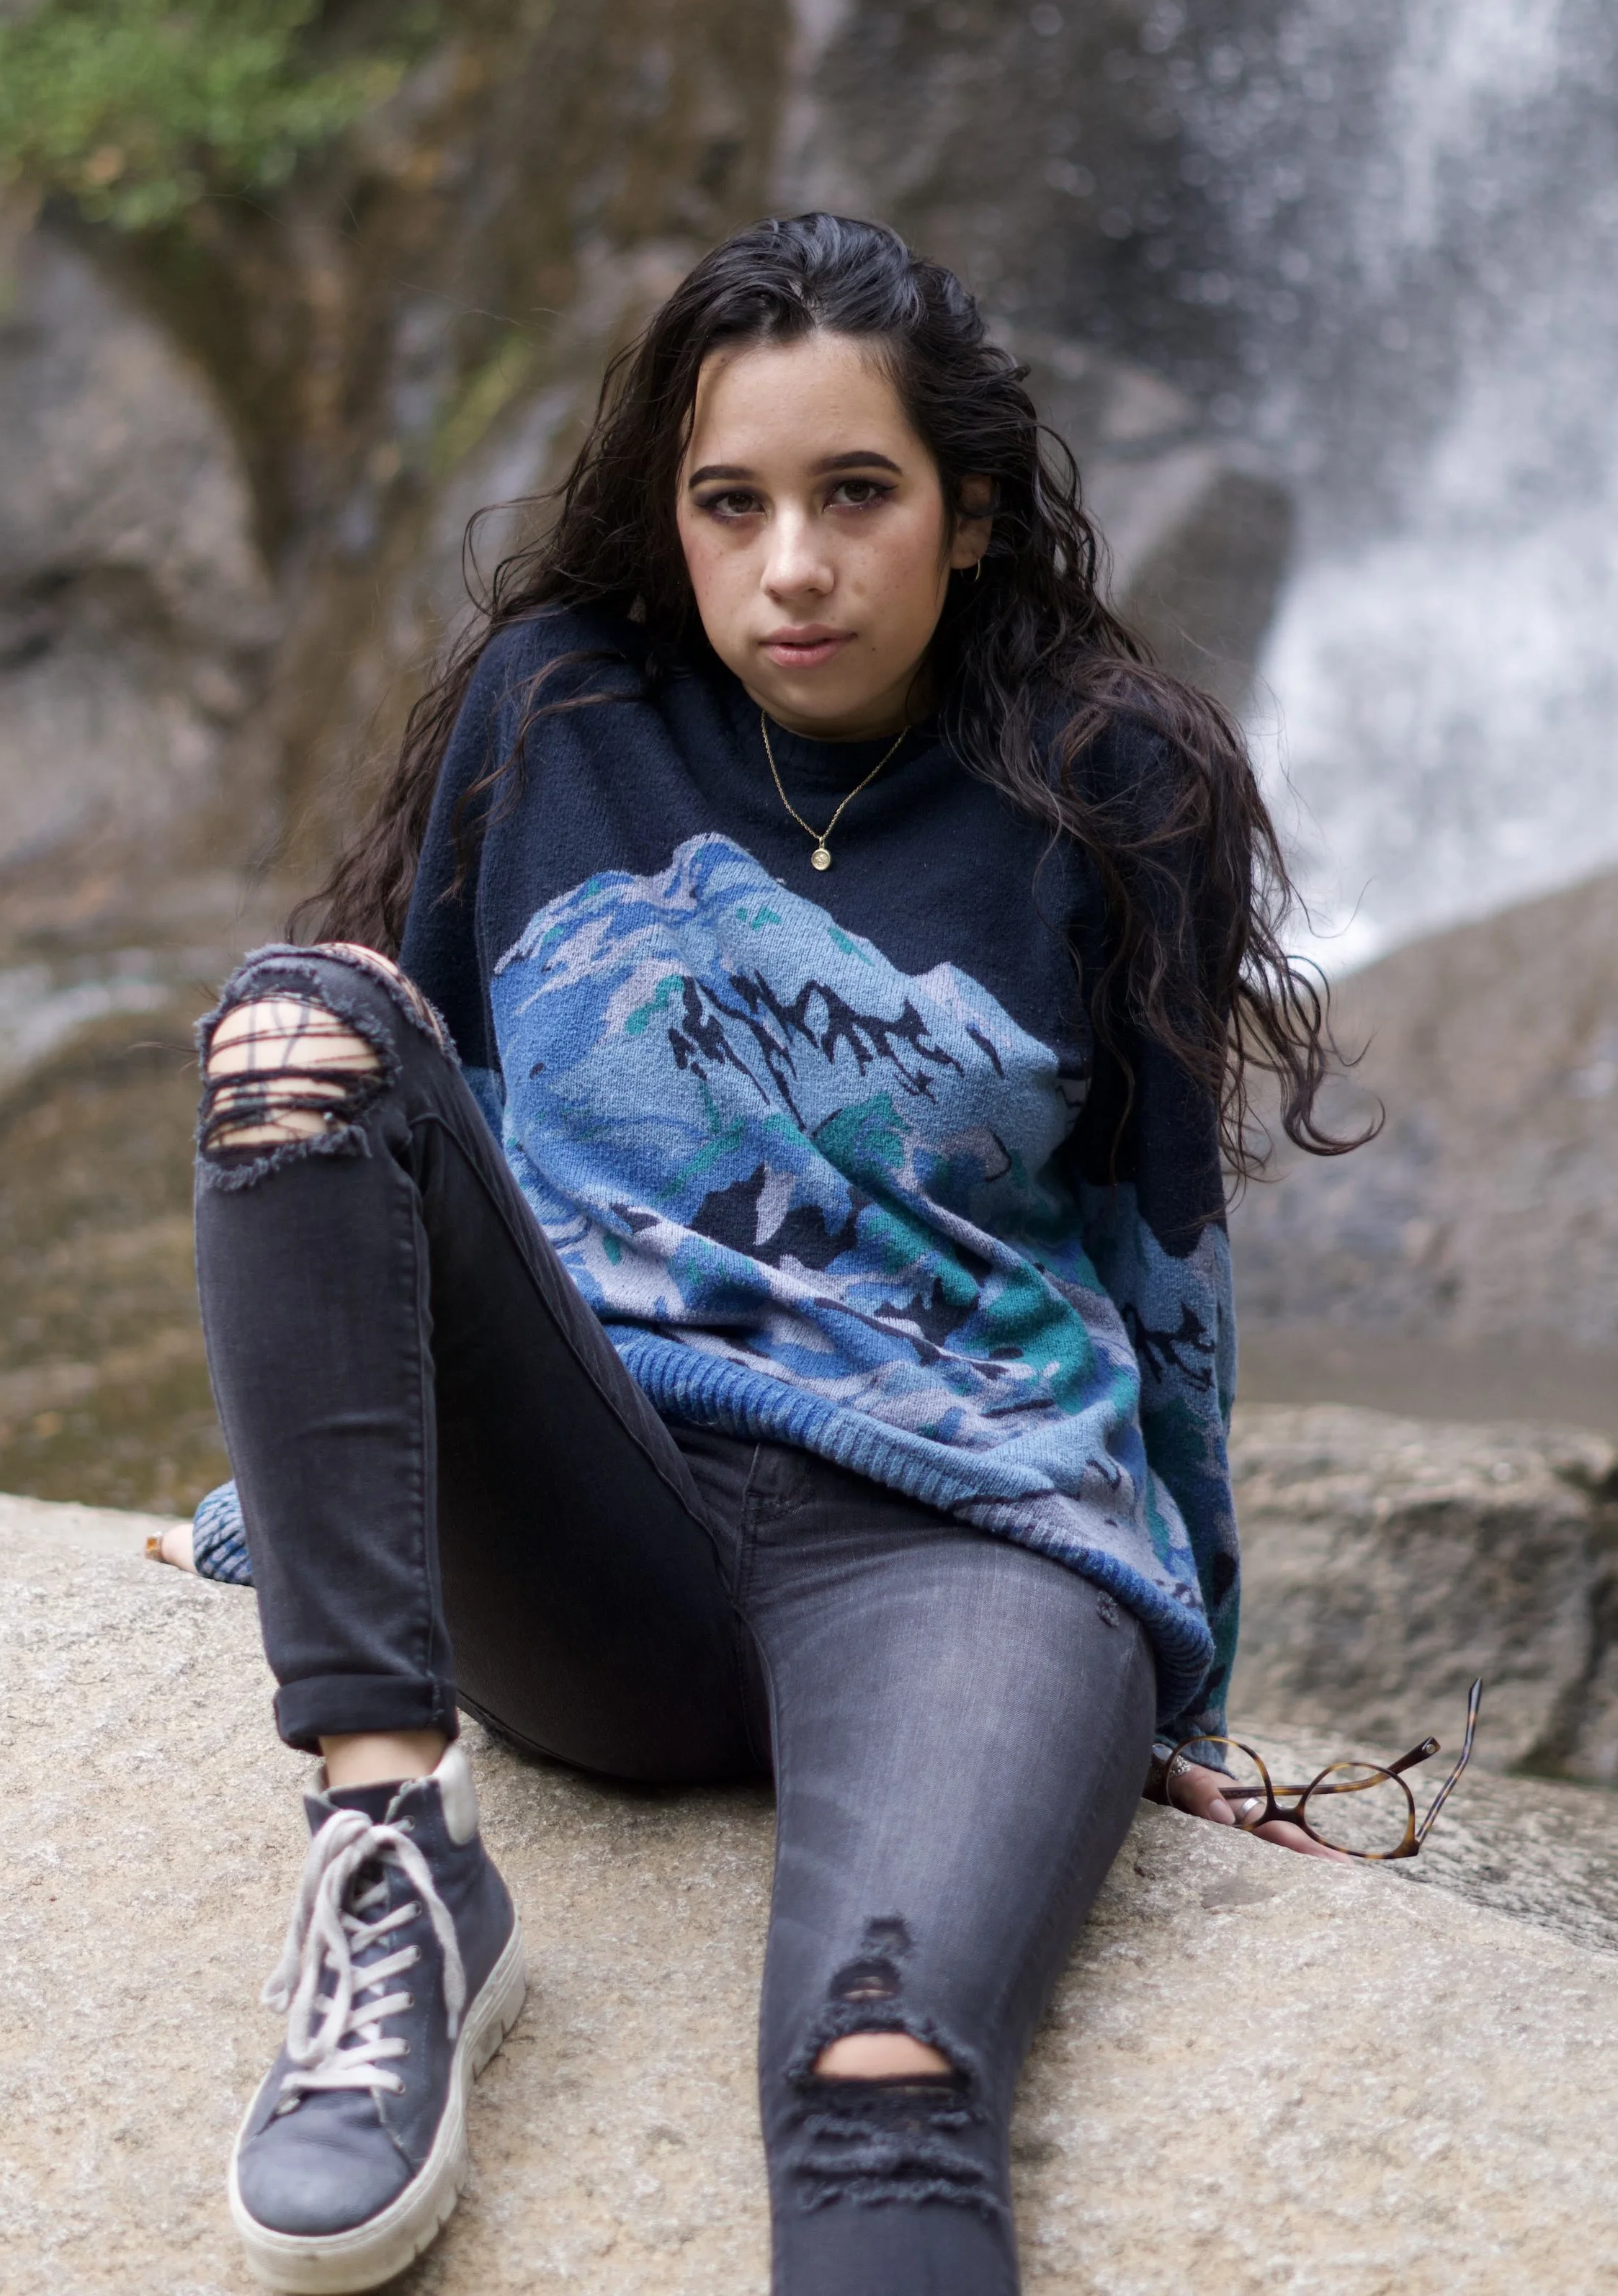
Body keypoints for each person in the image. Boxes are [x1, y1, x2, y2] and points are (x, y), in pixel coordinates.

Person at [158, 214, 1358, 2296]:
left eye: (854, 495)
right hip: (595, 1525)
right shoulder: (554, 710)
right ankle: (390, 1858)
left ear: (969, 512)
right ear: (673, 512)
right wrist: (291, 1500)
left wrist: (1186, 1671)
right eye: (733, 503)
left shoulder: (1110, 777)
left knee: (880, 2081)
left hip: (964, 1547)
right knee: (292, 1026)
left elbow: (1168, 1262)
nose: (789, 564)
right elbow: (395, 1115)